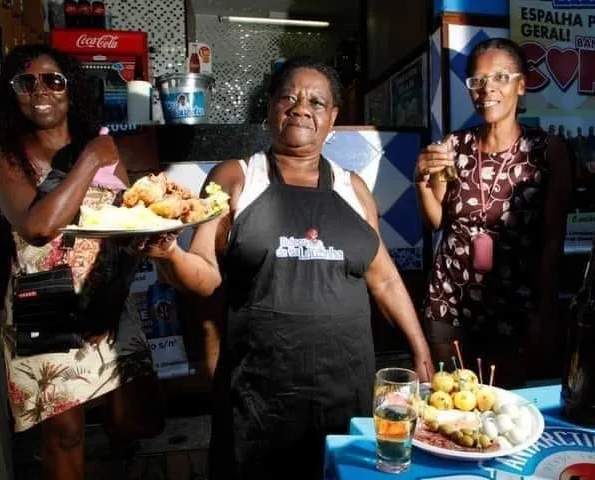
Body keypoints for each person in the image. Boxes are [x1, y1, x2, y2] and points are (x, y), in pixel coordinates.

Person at [143, 56, 434, 479]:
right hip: (260, 394)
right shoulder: (237, 178)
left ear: (332, 118)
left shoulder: (353, 188)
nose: (301, 107)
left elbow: (385, 277)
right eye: (289, 97)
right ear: (270, 108)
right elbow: (205, 274)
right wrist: (169, 253)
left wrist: (419, 344)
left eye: (317, 102)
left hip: (346, 386)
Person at [0, 44, 163, 479]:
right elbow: (39, 227)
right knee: (65, 434)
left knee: (136, 418)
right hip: (44, 306)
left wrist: (144, 247)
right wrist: (90, 159)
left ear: (71, 90)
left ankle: (124, 454)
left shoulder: (104, 149)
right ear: (13, 93)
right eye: (26, 82)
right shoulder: (5, 158)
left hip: (108, 299)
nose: (40, 90)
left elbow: (128, 221)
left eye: (53, 80)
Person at [415, 38, 571, 387]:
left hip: (514, 305)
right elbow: (436, 220)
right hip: (449, 300)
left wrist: (546, 313)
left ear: (521, 85)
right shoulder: (452, 146)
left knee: (503, 408)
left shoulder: (548, 151)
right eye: (478, 81)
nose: (487, 89)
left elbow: (552, 239)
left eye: (500, 77)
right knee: (452, 404)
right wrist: (422, 181)